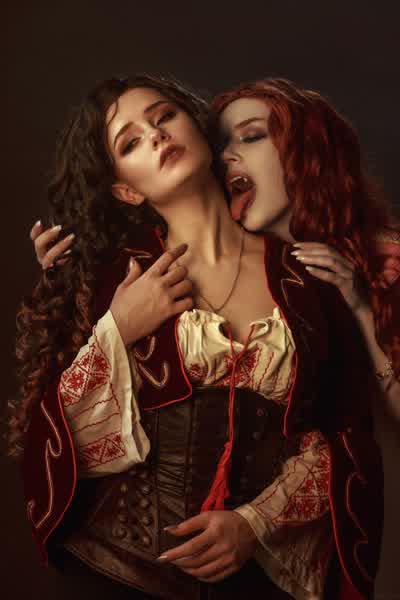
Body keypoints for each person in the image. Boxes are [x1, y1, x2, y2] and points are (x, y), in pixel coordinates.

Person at [13, 75, 384, 600]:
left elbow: (346, 432)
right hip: (116, 573)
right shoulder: (109, 277)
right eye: (131, 142)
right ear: (126, 189)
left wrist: (254, 523)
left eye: (164, 117)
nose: (156, 136)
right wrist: (118, 328)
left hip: (254, 579)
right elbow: (53, 439)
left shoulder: (304, 276)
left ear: (200, 129)